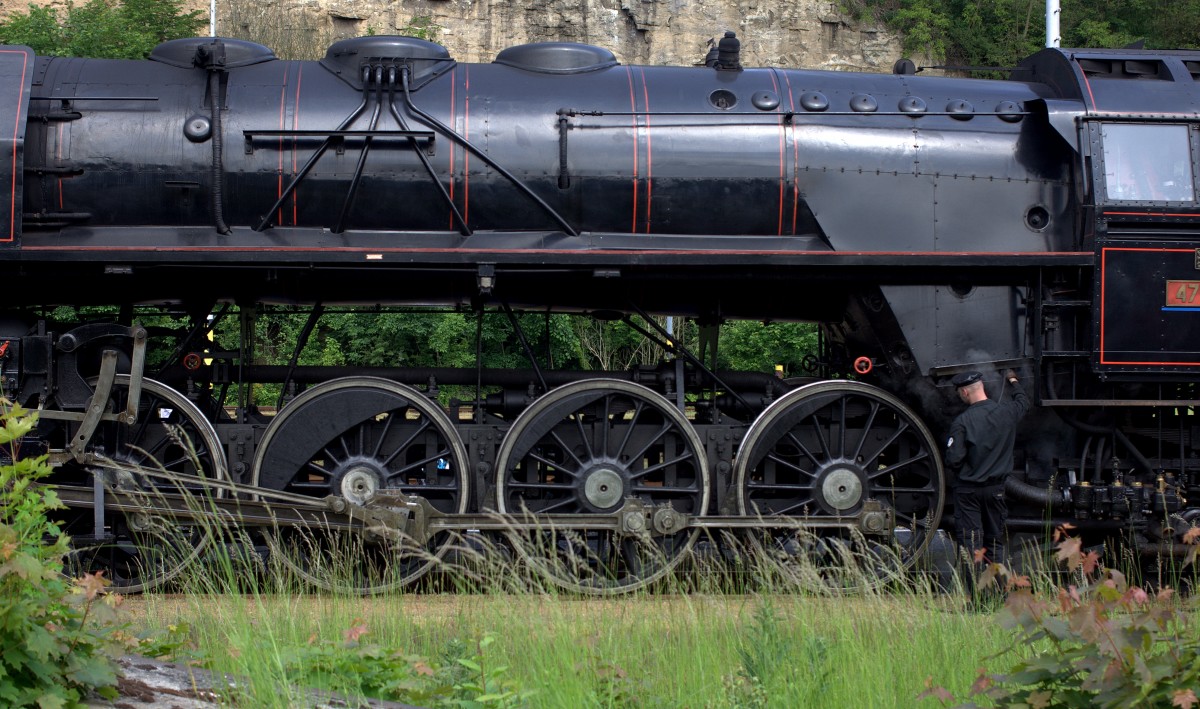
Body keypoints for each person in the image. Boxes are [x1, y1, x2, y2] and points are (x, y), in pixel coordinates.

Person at [944, 369, 1030, 567]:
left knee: (971, 545)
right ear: (981, 387)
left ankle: (975, 595)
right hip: (996, 490)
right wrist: (1013, 380)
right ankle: (996, 593)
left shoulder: (962, 422)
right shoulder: (1007, 413)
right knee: (994, 543)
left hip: (968, 491)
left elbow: (954, 460)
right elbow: (1023, 402)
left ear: (965, 392)